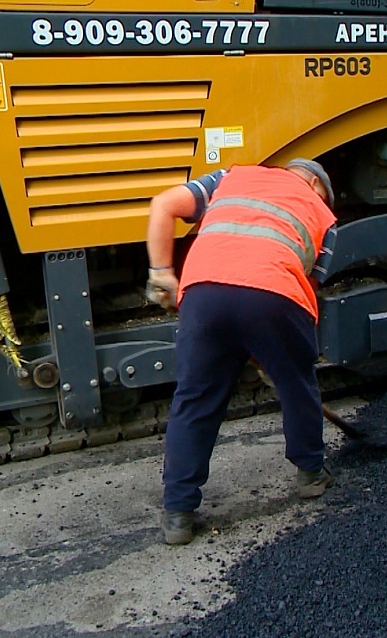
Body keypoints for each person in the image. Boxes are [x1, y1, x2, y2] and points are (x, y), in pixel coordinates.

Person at [145, 158, 339, 545]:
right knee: (298, 386)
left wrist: (162, 271)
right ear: (317, 186)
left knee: (195, 398)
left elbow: (162, 204)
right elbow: (307, 288)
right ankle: (311, 474)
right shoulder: (324, 216)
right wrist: (279, 357)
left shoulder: (229, 178)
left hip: (202, 292)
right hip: (275, 295)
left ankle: (178, 513)